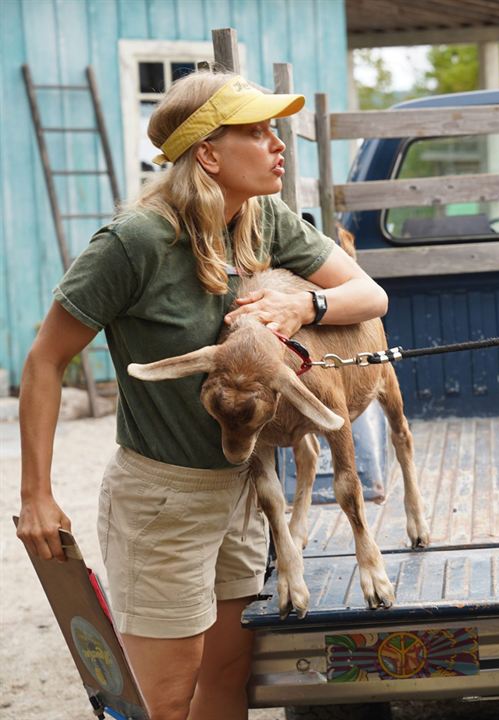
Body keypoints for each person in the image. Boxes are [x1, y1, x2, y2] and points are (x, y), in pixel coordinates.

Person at [16, 71, 388, 720]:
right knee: (164, 698)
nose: (278, 145)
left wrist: (305, 304)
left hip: (241, 487)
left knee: (228, 677)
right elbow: (46, 361)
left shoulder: (262, 217)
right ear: (209, 155)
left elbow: (370, 296)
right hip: (162, 499)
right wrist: (37, 495)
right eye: (258, 131)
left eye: (275, 130)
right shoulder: (133, 243)